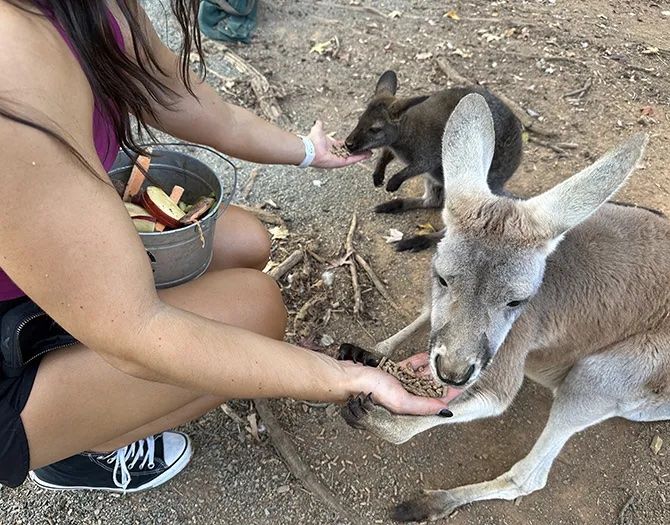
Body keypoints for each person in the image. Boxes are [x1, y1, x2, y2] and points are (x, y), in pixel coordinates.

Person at [0, 0, 454, 493]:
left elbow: (176, 94)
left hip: (37, 270)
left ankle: (86, 400)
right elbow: (137, 333)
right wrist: (346, 377)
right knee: (258, 310)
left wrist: (305, 151)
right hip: (11, 352)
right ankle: (73, 451)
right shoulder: (13, 66)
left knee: (244, 242)